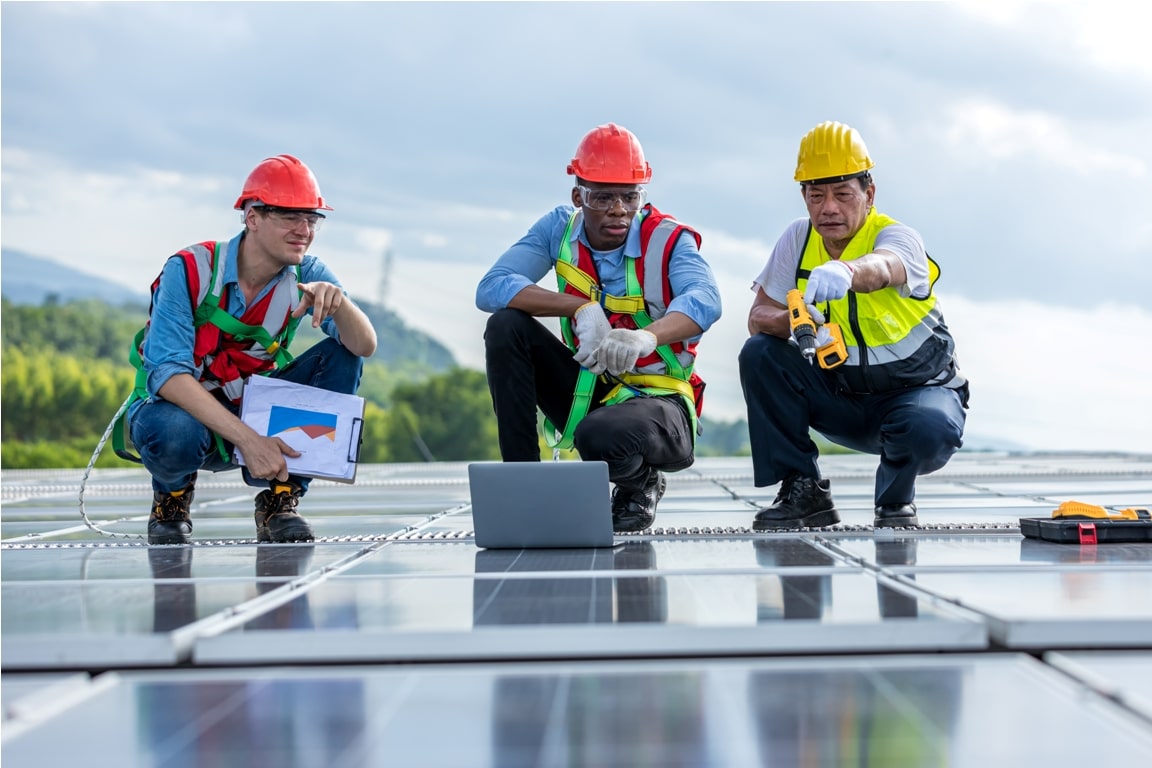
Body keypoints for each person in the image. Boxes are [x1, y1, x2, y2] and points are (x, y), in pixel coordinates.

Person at [476, 123, 722, 533]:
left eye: (630, 196)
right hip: (591, 387)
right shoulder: (559, 229)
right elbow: (493, 287)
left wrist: (647, 336)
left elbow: (706, 301)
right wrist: (579, 307)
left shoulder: (668, 241)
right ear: (578, 196)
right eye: (602, 197)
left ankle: (639, 483)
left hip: (658, 404)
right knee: (505, 327)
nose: (619, 210)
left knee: (601, 436)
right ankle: (523, 480)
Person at [123, 154, 378, 545]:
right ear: (252, 217)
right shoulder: (191, 270)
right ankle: (171, 497)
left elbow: (364, 345)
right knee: (172, 431)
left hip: (249, 403)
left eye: (312, 219)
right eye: (290, 217)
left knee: (342, 356)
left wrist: (340, 304)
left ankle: (280, 499)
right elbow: (168, 375)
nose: (304, 230)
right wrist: (249, 440)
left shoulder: (306, 273)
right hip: (183, 411)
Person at [739, 121, 968, 530]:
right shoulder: (797, 239)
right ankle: (803, 491)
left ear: (869, 193)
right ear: (804, 197)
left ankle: (895, 503)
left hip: (914, 397)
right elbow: (758, 317)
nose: (829, 208)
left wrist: (847, 271)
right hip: (842, 396)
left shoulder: (898, 237)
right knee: (759, 354)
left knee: (926, 427)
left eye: (843, 194)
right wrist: (793, 324)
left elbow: (885, 268)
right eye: (816, 195)